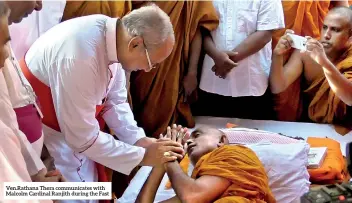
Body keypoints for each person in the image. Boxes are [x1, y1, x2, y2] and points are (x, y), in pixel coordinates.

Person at [20, 4, 183, 199]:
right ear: (135, 44)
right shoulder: (80, 55)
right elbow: (82, 139)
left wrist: (138, 140)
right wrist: (143, 156)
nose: (148, 70)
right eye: (151, 62)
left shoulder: (112, 38)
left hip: (76, 129)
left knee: (90, 187)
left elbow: (115, 101)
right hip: (50, 135)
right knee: (72, 195)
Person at [129, 1, 219, 138]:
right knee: (128, 110)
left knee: (165, 115)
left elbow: (196, 29)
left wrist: (192, 72)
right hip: (135, 57)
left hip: (171, 64)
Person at [193, 0, 285, 119]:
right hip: (213, 82)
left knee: (253, 134)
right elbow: (201, 29)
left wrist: (225, 62)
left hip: (251, 83)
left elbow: (265, 33)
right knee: (210, 133)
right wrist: (216, 56)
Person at [135, 125, 275, 203]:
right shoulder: (196, 185)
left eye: (197, 135)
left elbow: (192, 197)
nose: (189, 142)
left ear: (221, 140)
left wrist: (169, 156)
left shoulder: (235, 153)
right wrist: (161, 163)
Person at [270, 7, 352, 126]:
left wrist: (324, 63)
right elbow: (277, 87)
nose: (326, 35)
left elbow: (350, 97)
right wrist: (277, 55)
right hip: (313, 126)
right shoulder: (307, 53)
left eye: (335, 30)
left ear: (350, 37)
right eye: (324, 28)